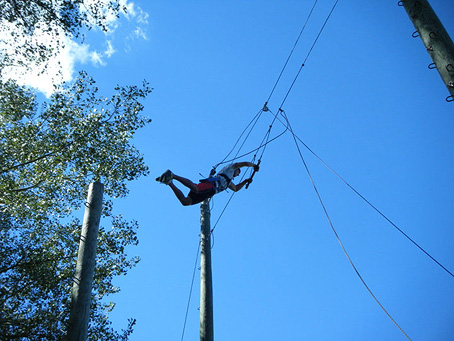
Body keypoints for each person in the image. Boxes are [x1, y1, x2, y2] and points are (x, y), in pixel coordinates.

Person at [156, 162, 260, 206]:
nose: (238, 175)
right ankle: (173, 175)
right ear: (236, 170)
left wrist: (246, 181)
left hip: (209, 192)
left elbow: (236, 188)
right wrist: (253, 166)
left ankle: (169, 182)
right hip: (212, 184)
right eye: (239, 172)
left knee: (185, 202)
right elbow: (245, 163)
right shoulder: (229, 169)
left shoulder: (228, 182)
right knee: (195, 188)